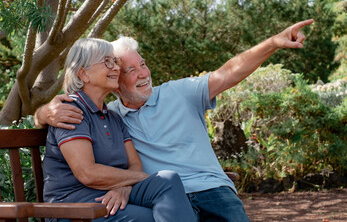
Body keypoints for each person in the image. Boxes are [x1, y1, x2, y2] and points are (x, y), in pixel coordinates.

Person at [36, 19, 314, 221]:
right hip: (163, 199)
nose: (143, 73)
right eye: (129, 69)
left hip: (210, 190)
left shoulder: (179, 93)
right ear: (116, 82)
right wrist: (42, 113)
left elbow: (229, 72)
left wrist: (273, 43)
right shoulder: (111, 113)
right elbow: (85, 162)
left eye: (143, 64)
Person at [42, 38, 196, 222]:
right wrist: (139, 178)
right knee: (155, 217)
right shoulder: (71, 111)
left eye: (114, 61)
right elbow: (87, 173)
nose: (115, 68)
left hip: (108, 196)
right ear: (83, 74)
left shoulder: (113, 116)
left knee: (167, 180)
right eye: (107, 62)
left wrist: (124, 187)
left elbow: (135, 164)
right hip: (75, 207)